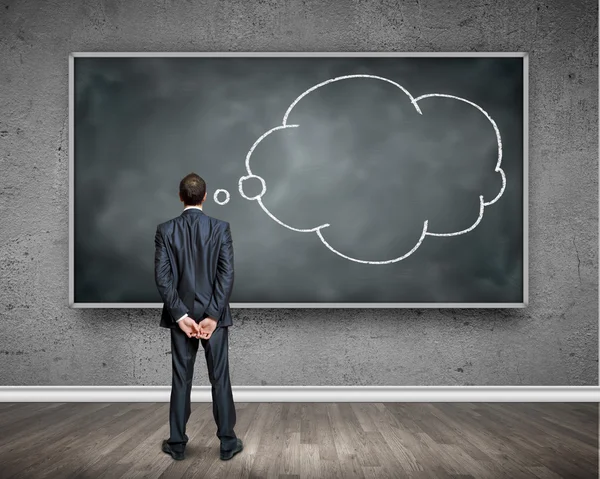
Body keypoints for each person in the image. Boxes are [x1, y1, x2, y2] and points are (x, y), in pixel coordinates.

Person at [154, 172, 243, 461]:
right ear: (205, 196)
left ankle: (177, 444)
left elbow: (163, 278)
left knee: (181, 379)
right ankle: (228, 443)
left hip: (182, 318)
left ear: (181, 197)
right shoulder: (220, 228)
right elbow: (225, 274)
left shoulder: (165, 230)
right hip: (213, 316)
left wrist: (180, 315)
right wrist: (214, 316)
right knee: (220, 378)